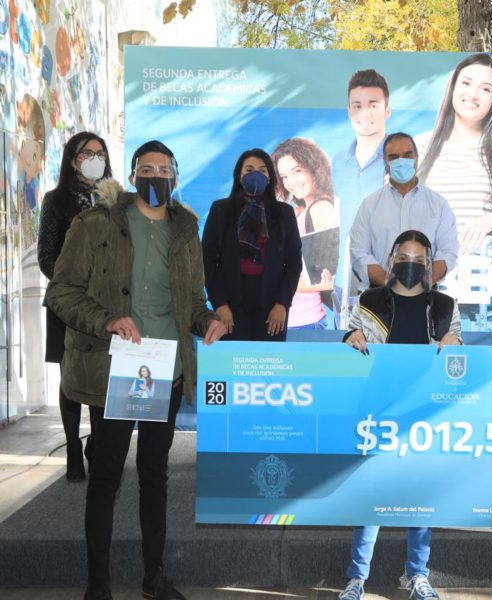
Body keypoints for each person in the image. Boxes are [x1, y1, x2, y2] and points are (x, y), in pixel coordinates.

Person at [45, 139, 227, 600]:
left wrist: (208, 321)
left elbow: (193, 301)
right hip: (115, 371)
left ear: (175, 178)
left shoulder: (185, 230)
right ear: (131, 176)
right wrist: (106, 320)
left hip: (166, 371)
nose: (155, 177)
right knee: (105, 476)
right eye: (147, 169)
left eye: (164, 170)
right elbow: (61, 292)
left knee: (154, 476)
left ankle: (154, 578)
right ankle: (98, 586)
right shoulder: (96, 223)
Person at [340, 230, 462, 600]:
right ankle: (356, 579)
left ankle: (418, 575)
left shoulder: (445, 305)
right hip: (378, 408)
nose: (410, 264)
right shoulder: (369, 300)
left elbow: (457, 350)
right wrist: (349, 339)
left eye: (419, 259)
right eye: (404, 257)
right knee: (370, 495)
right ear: (391, 260)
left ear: (429, 264)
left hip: (424, 411)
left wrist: (456, 342)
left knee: (420, 496)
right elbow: (351, 338)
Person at [38, 131, 113, 482]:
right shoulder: (55, 200)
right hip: (67, 306)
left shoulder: (116, 202)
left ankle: (97, 444)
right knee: (69, 378)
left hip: (107, 309)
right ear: (72, 160)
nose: (94, 159)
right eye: (86, 153)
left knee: (102, 377)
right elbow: (46, 257)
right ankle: (71, 447)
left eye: (100, 153)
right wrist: (76, 287)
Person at [416, 53, 492, 255]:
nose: (473, 94)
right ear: (452, 87)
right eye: (466, 83)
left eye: (485, 89)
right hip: (426, 267)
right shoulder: (419, 147)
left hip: (483, 268)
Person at [201, 149, 302, 341]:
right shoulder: (220, 210)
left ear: (270, 177)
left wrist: (282, 304)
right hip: (230, 304)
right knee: (233, 358)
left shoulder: (284, 213)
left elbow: (293, 262)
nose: (256, 174)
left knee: (268, 359)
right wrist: (220, 304)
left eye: (262, 170)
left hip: (272, 306)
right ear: (239, 176)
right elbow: (207, 260)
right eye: (249, 170)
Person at [348, 132, 458, 293]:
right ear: (385, 163)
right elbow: (359, 253)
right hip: (378, 296)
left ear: (416, 158)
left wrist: (422, 284)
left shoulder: (439, 205)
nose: (401, 161)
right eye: (394, 157)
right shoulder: (369, 205)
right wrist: (391, 283)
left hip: (424, 297)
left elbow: (448, 252)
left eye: (407, 155)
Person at [332, 69, 392, 311]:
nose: (365, 113)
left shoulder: (399, 160)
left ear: (387, 110)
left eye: (373, 105)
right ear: (349, 111)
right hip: (342, 277)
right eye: (357, 106)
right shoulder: (337, 162)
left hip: (385, 277)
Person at [273, 138, 340, 330]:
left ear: (314, 167)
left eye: (297, 171)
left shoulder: (320, 209)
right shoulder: (300, 212)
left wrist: (275, 281)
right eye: (284, 176)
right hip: (290, 320)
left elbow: (330, 280)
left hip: (304, 322)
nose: (291, 182)